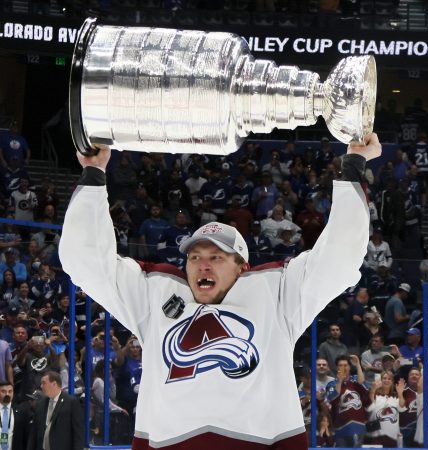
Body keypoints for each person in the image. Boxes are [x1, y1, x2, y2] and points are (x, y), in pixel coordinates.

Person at [59, 134, 382, 450]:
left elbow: (339, 257)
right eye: (195, 257)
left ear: (241, 266)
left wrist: (353, 164)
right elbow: (85, 262)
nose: (203, 266)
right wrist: (93, 173)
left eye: (216, 257)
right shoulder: (154, 296)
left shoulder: (277, 294)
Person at [27, 371, 84, 450]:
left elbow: (78, 433)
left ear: (54, 384)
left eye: (44, 383)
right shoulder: (40, 403)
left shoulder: (71, 402)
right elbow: (34, 432)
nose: (41, 386)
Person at [325, 355, 368, 447]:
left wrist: (357, 365)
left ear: (349, 367)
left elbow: (362, 383)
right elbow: (332, 397)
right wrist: (340, 381)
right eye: (340, 365)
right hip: (340, 426)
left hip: (358, 424)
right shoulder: (331, 384)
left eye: (346, 365)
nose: (343, 367)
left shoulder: (355, 379)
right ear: (337, 368)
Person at [365, 371, 406, 447]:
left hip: (393, 437)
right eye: (384, 378)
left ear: (392, 382)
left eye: (389, 379)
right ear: (380, 380)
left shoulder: (396, 396)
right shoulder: (375, 395)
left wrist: (400, 394)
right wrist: (373, 390)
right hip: (376, 437)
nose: (386, 380)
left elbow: (402, 407)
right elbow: (370, 404)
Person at [0, 380, 31, 450]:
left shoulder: (22, 411)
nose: (7, 394)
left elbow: (26, 437)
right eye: (3, 391)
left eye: (10, 391)